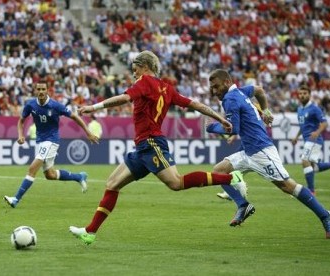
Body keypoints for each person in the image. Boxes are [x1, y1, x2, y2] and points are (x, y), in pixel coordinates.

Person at [69, 51, 242, 245]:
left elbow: (124, 98)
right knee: (112, 184)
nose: (134, 75)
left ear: (145, 67)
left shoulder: (144, 82)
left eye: (136, 70)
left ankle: (231, 178)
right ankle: (90, 231)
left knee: (176, 183)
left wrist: (94, 107)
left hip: (151, 143)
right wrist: (219, 118)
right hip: (142, 147)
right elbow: (194, 104)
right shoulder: (167, 89)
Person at [206, 69, 330, 239]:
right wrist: (265, 110)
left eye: (217, 87)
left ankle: (326, 215)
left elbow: (234, 129)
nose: (215, 92)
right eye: (212, 88)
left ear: (227, 82)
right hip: (248, 150)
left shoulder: (230, 99)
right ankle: (243, 205)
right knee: (218, 172)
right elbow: (259, 90)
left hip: (261, 151)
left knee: (288, 187)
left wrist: (212, 127)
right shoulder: (239, 91)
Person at [4, 82, 100, 208]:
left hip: (51, 140)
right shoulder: (30, 105)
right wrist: (20, 135)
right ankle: (79, 177)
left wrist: (88, 133)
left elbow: (74, 117)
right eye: (38, 89)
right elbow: (21, 121)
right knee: (50, 175)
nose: (41, 91)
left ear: (47, 90)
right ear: (35, 90)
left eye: (43, 89)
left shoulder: (55, 105)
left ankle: (15, 199)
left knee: (32, 168)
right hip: (40, 141)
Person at [291, 84, 330, 194]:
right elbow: (303, 126)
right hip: (308, 139)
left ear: (309, 95)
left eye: (304, 93)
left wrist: (317, 132)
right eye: (300, 94)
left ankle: (311, 191)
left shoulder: (314, 109)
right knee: (314, 167)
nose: (302, 96)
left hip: (314, 139)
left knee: (304, 160)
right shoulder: (299, 109)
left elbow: (325, 123)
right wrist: (296, 137)